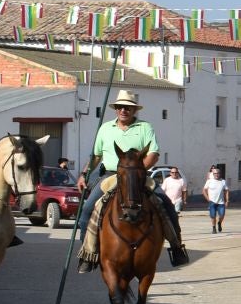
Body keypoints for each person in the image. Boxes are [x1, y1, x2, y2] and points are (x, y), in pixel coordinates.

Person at [74, 89, 190, 269]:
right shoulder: (105, 128)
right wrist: (84, 174)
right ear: (116, 109)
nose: (123, 111)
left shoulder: (145, 127)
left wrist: (136, 171)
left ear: (134, 110)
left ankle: (177, 248)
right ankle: (88, 253)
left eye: (128, 108)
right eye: (120, 107)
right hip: (111, 175)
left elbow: (153, 154)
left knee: (166, 204)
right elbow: (95, 156)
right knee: (87, 210)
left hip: (137, 174)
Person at [203, 165, 229, 233]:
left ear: (220, 174)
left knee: (222, 215)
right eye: (215, 173)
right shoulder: (209, 181)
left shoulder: (223, 181)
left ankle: (219, 223)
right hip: (212, 202)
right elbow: (204, 191)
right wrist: (208, 199)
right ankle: (214, 228)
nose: (216, 175)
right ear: (212, 174)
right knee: (213, 216)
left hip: (221, 202)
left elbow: (226, 190)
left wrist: (227, 201)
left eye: (218, 173)